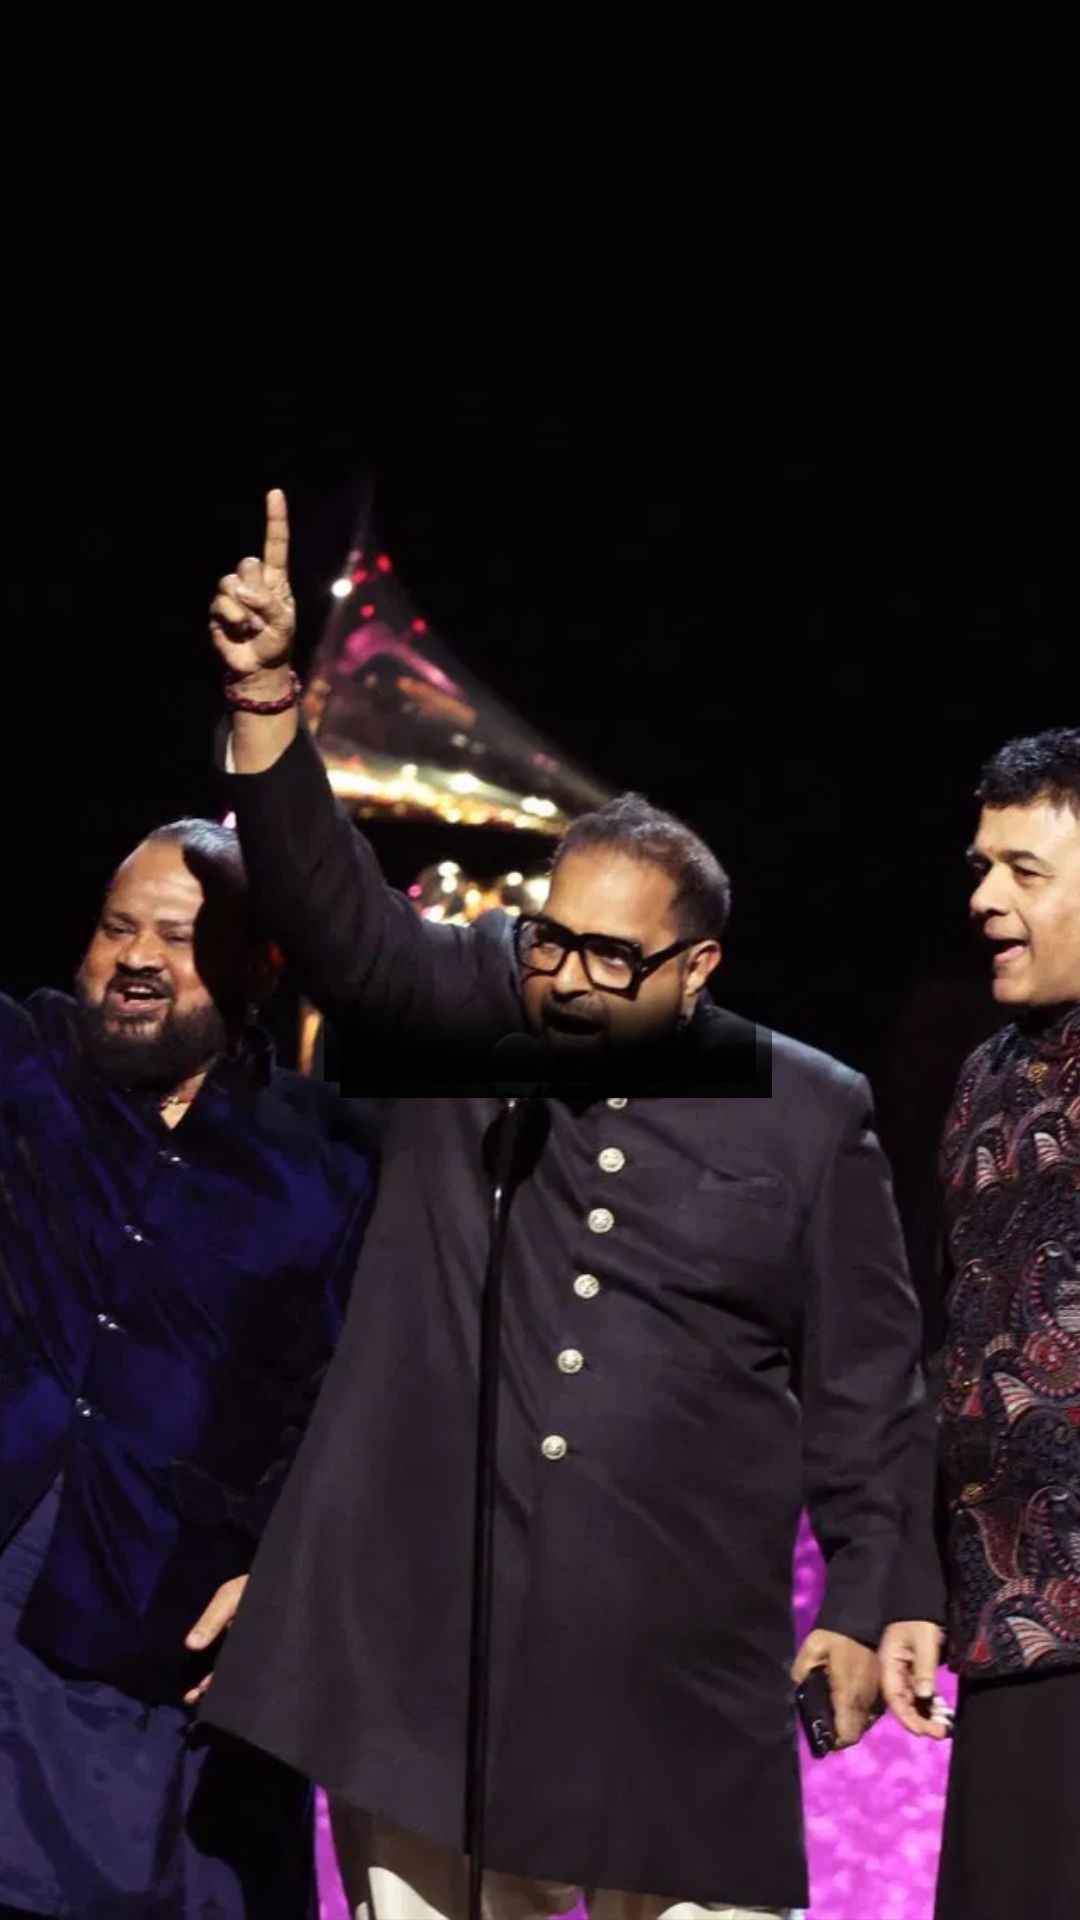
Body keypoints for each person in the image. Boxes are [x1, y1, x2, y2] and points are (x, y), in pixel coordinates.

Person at [203, 492, 923, 1920]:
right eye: (554, 943)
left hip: (671, 1689)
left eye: (614, 959)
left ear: (698, 971)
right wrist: (269, 702)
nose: (571, 984)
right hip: (435, 1671)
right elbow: (339, 918)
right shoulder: (473, 1009)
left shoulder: (810, 1110)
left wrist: (864, 1597)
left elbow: (867, 1389)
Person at [0, 817, 375, 1918]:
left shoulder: (326, 1159)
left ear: (260, 967)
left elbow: (346, 1399)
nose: (137, 958)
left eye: (178, 937)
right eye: (117, 928)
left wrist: (288, 1575)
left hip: (153, 1640)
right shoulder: (25, 1067)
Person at [880, 727, 1080, 1920]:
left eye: (1024, 871)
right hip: (1016, 1637)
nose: (984, 898)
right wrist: (912, 1583)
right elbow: (952, 1350)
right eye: (981, 867)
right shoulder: (987, 1077)